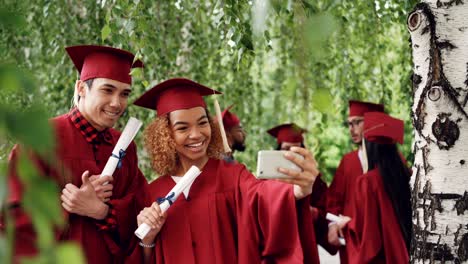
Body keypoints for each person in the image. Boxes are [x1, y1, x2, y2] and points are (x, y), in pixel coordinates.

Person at [130, 78, 321, 263]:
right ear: (166, 135)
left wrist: (296, 191)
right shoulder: (153, 193)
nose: (196, 134)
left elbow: (260, 195)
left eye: (203, 123)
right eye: (182, 128)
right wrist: (148, 240)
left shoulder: (232, 175)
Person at [2, 45, 148, 263]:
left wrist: (102, 212)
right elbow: (11, 217)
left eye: (124, 93)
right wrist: (67, 205)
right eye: (107, 90)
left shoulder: (125, 146)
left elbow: (139, 211)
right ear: (81, 88)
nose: (117, 103)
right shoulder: (41, 139)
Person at [344, 112, 411, 263]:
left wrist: (346, 225)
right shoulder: (409, 175)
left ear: (369, 147)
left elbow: (368, 237)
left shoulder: (367, 182)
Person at [326, 100, 384, 263]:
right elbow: (334, 200)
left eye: (357, 122)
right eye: (349, 124)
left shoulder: (390, 163)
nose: (352, 129)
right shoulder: (348, 161)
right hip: (352, 243)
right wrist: (332, 225)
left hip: (380, 244)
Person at [267, 123, 337, 257]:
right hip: (277, 241)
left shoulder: (313, 178)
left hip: (304, 239)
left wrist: (315, 213)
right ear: (278, 150)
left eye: (296, 149)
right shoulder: (268, 178)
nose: (290, 154)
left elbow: (327, 208)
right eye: (286, 149)